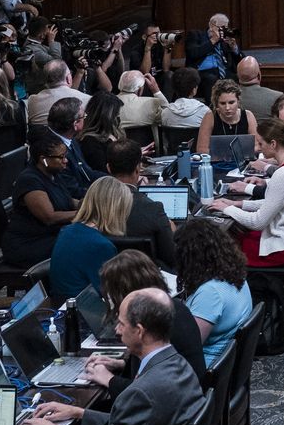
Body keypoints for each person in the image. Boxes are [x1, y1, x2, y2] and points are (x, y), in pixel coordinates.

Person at [18, 288, 205, 425]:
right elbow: (137, 424)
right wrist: (79, 413)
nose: (116, 330)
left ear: (140, 331)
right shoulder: (180, 365)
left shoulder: (143, 392)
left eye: (122, 324)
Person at [88, 251, 208, 394]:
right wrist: (121, 364)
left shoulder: (157, 321)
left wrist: (109, 379)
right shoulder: (172, 308)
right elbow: (153, 368)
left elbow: (147, 393)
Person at [210, 122, 284, 267]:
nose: (258, 149)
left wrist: (227, 209)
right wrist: (238, 204)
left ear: (273, 144)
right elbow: (275, 203)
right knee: (233, 236)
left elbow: (258, 222)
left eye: (260, 143)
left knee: (222, 249)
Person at [171, 216, 253, 368]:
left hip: (207, 368)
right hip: (225, 362)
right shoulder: (233, 272)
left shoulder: (210, 293)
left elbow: (189, 347)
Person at [1, 131, 77, 267]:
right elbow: (49, 217)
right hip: (28, 245)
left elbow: (68, 200)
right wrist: (83, 213)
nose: (66, 161)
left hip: (48, 236)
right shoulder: (29, 180)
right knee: (81, 245)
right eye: (61, 157)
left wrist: (88, 203)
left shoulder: (53, 173)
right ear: (44, 159)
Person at [47, 176, 129, 300]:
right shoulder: (101, 246)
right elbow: (111, 295)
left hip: (63, 304)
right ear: (117, 210)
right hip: (85, 312)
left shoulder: (67, 230)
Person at [102, 138, 176, 269]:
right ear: (138, 168)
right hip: (149, 277)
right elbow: (171, 257)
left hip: (108, 276)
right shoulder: (154, 209)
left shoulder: (93, 205)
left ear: (108, 168)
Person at [194, 78, 258, 157]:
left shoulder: (248, 115)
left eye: (231, 102)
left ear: (238, 101)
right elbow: (201, 149)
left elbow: (257, 146)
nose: (227, 107)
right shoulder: (210, 116)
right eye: (223, 103)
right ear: (217, 103)